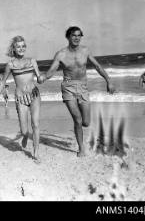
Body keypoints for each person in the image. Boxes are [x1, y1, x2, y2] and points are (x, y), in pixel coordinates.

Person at [38, 26, 115, 157]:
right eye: (74, 35)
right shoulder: (61, 54)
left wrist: (109, 80)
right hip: (68, 87)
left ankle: (80, 132)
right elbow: (51, 70)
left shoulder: (85, 51)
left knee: (86, 122)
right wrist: (44, 77)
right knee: (78, 120)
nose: (77, 38)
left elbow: (97, 66)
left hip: (83, 87)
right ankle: (81, 148)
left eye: (79, 35)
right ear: (68, 37)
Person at [0, 36, 42, 163]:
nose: (21, 48)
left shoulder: (32, 61)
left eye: (23, 46)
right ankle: (24, 136)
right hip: (20, 97)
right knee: (24, 131)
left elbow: (39, 77)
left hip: (34, 95)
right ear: (14, 48)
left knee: (36, 124)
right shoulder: (10, 64)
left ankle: (36, 152)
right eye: (18, 46)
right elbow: (3, 82)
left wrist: (41, 78)